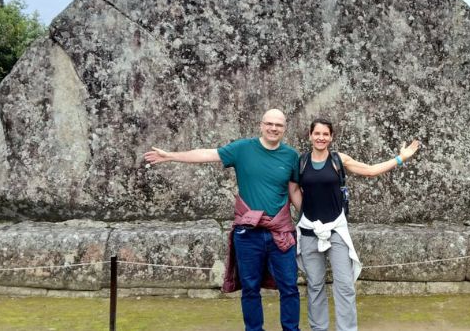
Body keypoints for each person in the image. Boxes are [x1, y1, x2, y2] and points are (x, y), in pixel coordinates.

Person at [144, 108, 301, 331]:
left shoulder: (291, 156)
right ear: (261, 125)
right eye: (269, 124)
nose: (273, 128)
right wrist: (171, 156)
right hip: (248, 233)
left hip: (281, 232)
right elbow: (206, 154)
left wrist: (317, 217)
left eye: (278, 125)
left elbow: (294, 192)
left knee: (289, 287)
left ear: (284, 128)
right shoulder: (242, 149)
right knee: (250, 288)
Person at [289, 118, 420, 331]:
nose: (321, 137)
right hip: (309, 231)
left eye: (325, 134)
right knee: (314, 286)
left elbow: (369, 170)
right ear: (310, 136)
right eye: (317, 133)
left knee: (344, 285)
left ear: (331, 137)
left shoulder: (338, 160)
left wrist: (400, 158)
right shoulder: (301, 162)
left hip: (336, 231)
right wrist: (307, 213)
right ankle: (318, 328)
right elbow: (293, 189)